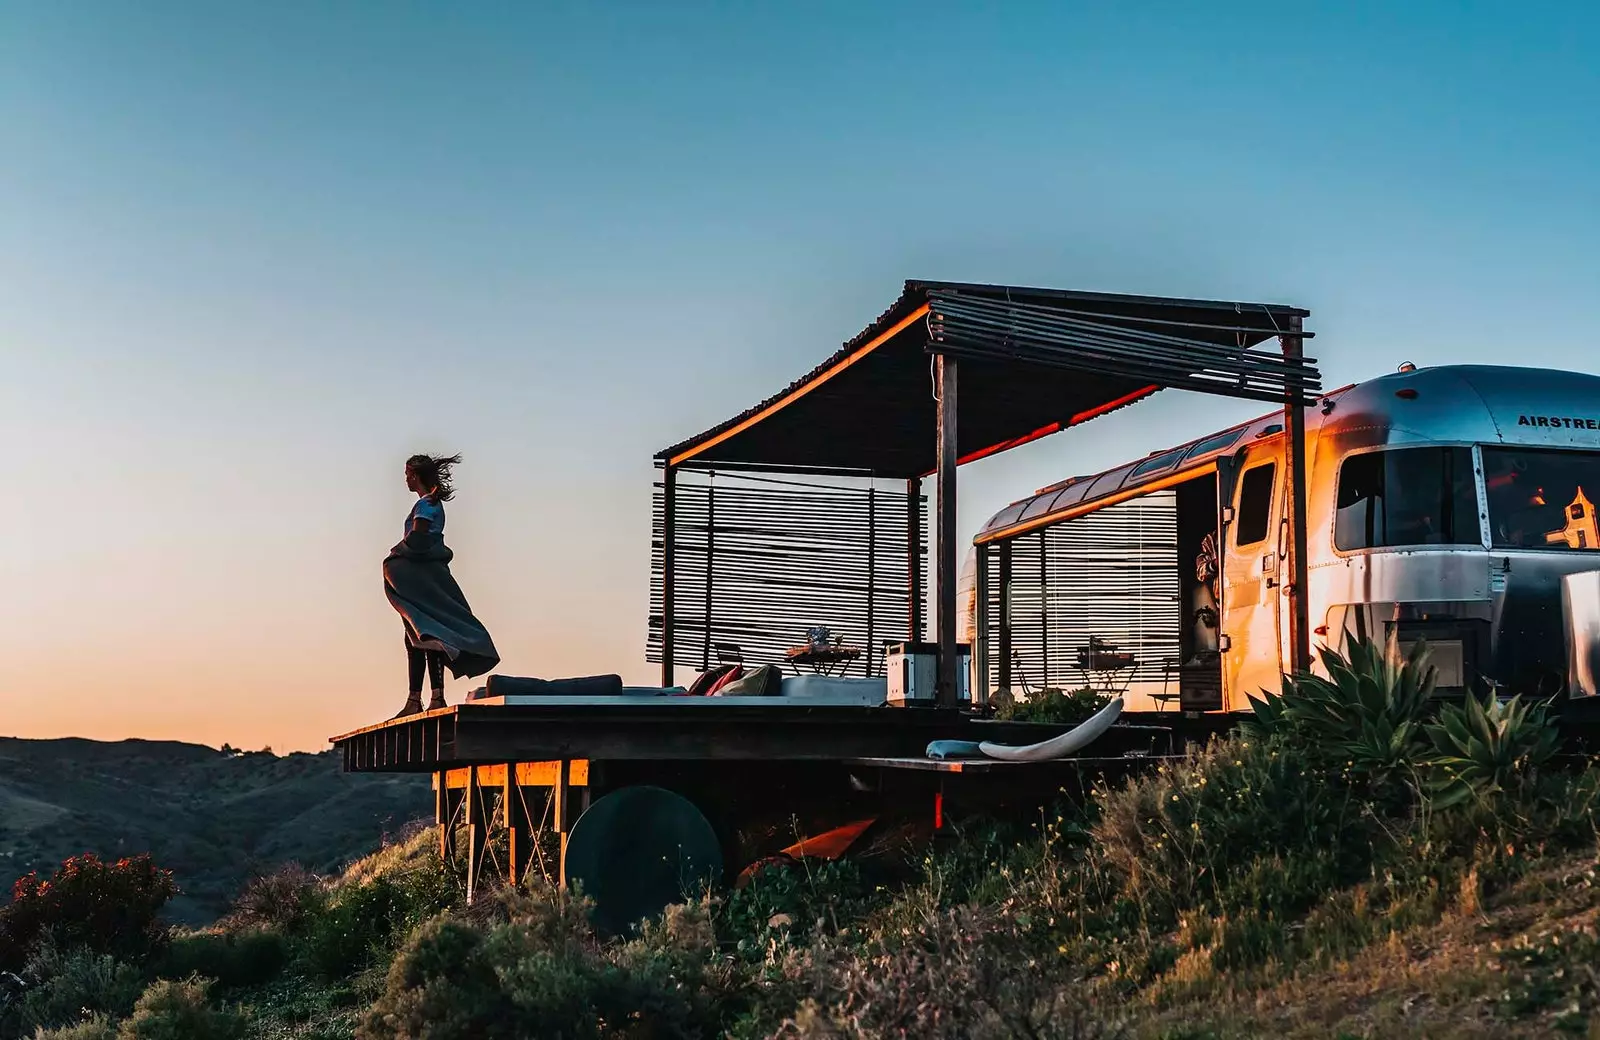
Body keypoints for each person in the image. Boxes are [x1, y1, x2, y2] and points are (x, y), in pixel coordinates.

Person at [383, 453, 500, 717]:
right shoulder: (430, 503)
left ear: (414, 475)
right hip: (424, 575)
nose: (405, 479)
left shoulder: (426, 506)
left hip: (421, 576)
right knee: (419, 633)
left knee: (425, 633)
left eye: (406, 474)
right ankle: (427, 698)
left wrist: (399, 553)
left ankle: (425, 698)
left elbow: (419, 536)